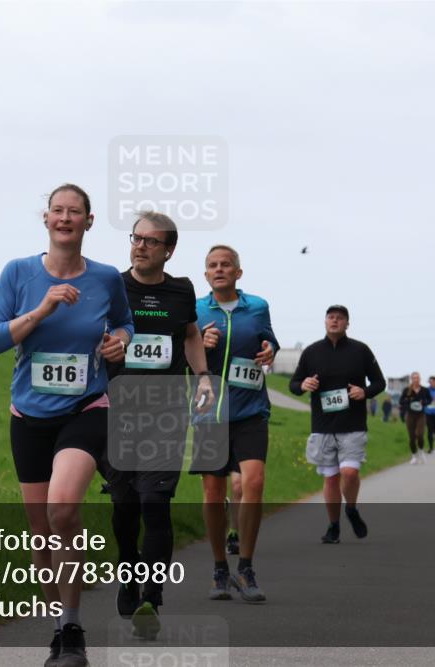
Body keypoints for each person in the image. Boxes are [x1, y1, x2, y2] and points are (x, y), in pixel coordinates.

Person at [0, 184, 134, 667]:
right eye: (58, 211)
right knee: (42, 530)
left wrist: (119, 343)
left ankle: (72, 630)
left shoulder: (107, 278)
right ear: (46, 219)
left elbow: (125, 323)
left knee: (63, 509)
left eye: (76, 212)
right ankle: (56, 626)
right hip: (28, 416)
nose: (65, 218)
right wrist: (41, 310)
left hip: (86, 409)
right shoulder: (18, 273)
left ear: (89, 222)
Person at [100, 211, 214, 639]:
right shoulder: (112, 285)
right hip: (117, 411)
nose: (140, 245)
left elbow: (188, 334)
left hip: (166, 412)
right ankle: (128, 573)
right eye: (136, 238)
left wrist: (202, 375)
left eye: (151, 241)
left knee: (155, 503)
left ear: (169, 249)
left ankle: (152, 592)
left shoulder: (182, 290)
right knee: (124, 506)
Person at [191, 245, 278, 603]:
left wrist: (270, 349)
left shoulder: (256, 306)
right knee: (213, 493)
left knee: (253, 482)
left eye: (226, 265)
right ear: (206, 274)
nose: (220, 269)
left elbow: (270, 338)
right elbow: (184, 352)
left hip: (250, 409)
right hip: (210, 412)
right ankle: (218, 569)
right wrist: (200, 341)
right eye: (213, 265)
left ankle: (245, 565)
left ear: (238, 273)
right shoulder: (195, 309)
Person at [289, 305, 386, 544]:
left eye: (340, 318)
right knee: (331, 478)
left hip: (352, 424)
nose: (335, 321)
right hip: (322, 426)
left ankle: (351, 509)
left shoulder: (360, 350)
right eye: (331, 317)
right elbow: (294, 384)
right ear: (324, 322)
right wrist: (303, 385)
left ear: (347, 324)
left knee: (349, 473)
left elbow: (379, 382)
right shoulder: (311, 352)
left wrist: (364, 392)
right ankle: (333, 526)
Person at [399, 372, 431, 465]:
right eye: (414, 378)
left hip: (421, 415)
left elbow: (429, 400)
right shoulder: (407, 390)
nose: (415, 380)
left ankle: (421, 451)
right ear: (411, 379)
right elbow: (401, 401)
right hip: (410, 415)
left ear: (420, 379)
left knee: (420, 434)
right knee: (412, 437)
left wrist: (424, 402)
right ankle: (414, 455)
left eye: (417, 378)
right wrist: (408, 401)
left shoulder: (424, 390)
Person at [424, 376, 435, 453]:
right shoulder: (426, 390)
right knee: (430, 430)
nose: (431, 383)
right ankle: (431, 447)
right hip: (428, 413)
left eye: (433, 381)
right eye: (430, 382)